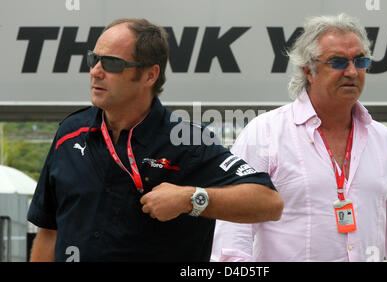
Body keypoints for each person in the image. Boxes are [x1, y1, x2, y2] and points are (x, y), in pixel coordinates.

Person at [27, 18, 283, 262]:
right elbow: (49, 231)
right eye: (93, 59)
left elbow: (269, 202)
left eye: (112, 63)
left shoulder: (187, 141)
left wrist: (190, 199)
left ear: (150, 75)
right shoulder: (70, 132)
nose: (95, 71)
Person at [211, 13, 387, 262]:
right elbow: (231, 243)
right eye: (337, 62)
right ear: (308, 71)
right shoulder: (265, 133)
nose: (352, 72)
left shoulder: (383, 140)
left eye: (360, 61)